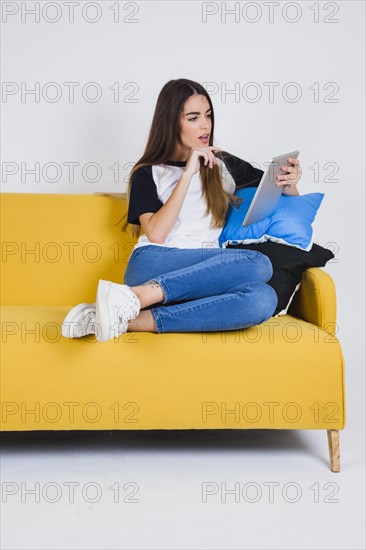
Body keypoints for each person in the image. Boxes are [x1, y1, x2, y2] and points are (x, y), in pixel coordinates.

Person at [62, 78, 301, 342]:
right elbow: (156, 234)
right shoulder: (148, 172)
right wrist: (188, 172)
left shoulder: (223, 164)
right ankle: (139, 295)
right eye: (193, 117)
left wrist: (288, 185)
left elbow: (272, 190)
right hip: (154, 262)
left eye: (208, 115)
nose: (205, 125)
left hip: (205, 272)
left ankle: (125, 318)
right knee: (258, 263)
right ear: (171, 122)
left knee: (263, 299)